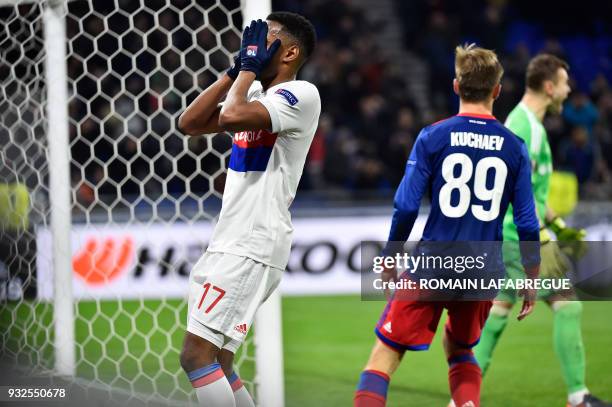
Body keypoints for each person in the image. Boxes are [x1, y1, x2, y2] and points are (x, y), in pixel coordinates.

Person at [354, 44, 541, 407]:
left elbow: (406, 205)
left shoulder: (433, 136)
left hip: (434, 263)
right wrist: (531, 278)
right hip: (483, 270)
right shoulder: (514, 147)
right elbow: (527, 222)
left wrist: (391, 255)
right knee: (459, 349)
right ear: (497, 91)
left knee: (385, 356)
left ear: (456, 86)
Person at [177, 13, 319, 407]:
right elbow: (189, 123)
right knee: (219, 361)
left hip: (252, 243)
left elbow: (231, 116)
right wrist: (235, 69)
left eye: (267, 38)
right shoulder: (254, 93)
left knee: (195, 356)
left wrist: (248, 73)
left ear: (289, 52)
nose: (253, 44)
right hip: (233, 239)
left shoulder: (301, 95)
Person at [474, 54, 611, 407]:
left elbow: (532, 192)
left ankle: (463, 398)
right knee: (568, 306)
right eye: (565, 84)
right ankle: (578, 396)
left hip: (510, 233)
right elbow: (513, 195)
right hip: (521, 234)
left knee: (499, 312)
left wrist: (560, 226)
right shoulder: (526, 129)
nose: (567, 91)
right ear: (550, 87)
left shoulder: (524, 124)